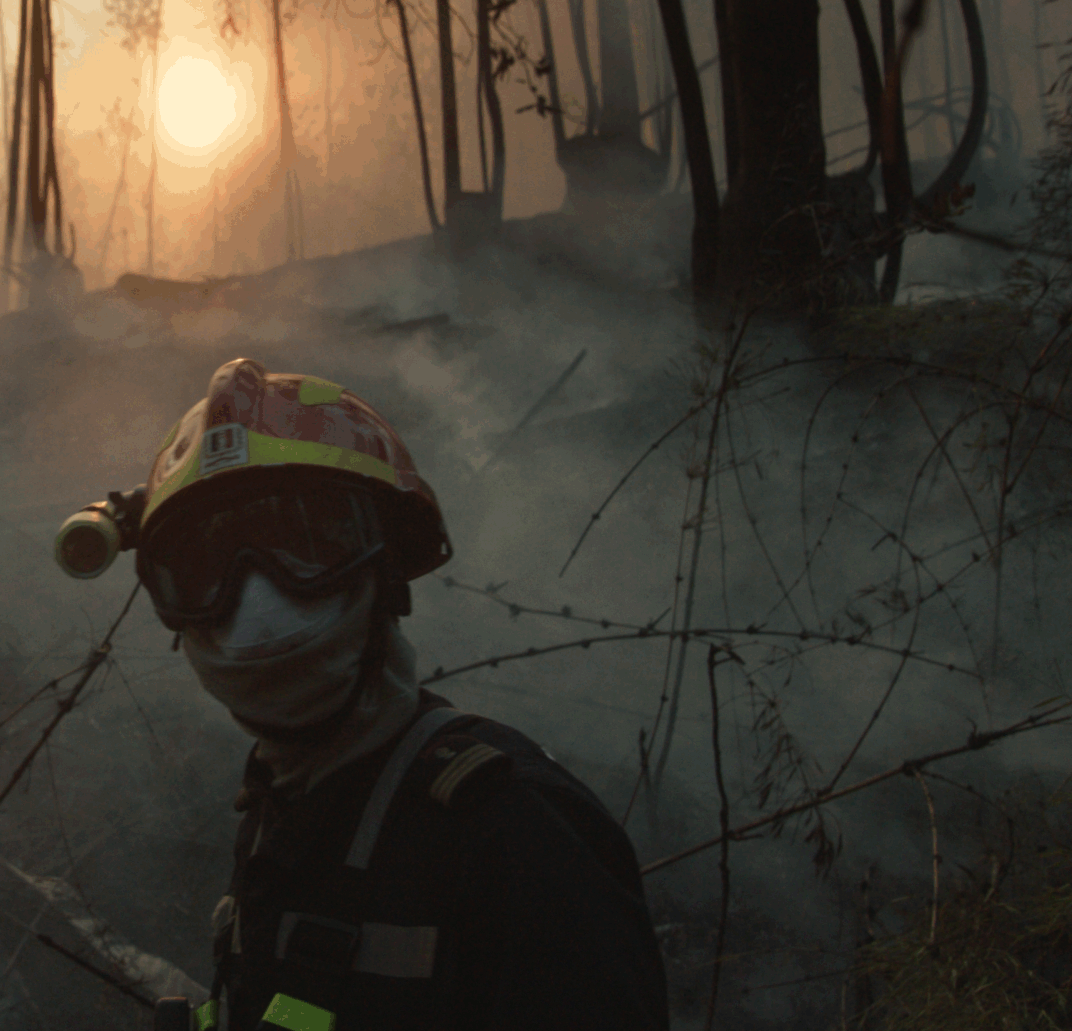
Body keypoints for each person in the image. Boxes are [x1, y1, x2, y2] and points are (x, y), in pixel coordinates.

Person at [70, 358, 668, 1030]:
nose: (258, 602)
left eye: (304, 543)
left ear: (386, 567)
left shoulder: (510, 827)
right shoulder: (285, 806)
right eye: (206, 566)